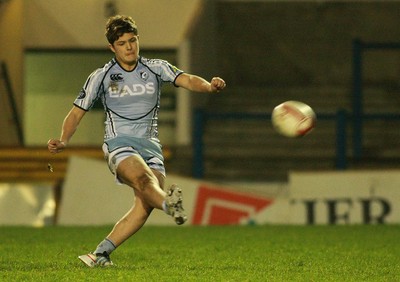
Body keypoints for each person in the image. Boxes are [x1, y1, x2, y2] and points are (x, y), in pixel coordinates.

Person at [47, 15, 226, 267]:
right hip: (119, 142)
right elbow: (77, 112)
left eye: (133, 40)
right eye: (122, 43)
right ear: (112, 47)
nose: (129, 47)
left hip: (151, 144)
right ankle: (170, 205)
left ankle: (100, 254)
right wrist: (64, 139)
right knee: (145, 181)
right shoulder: (102, 76)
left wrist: (209, 86)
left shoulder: (155, 67)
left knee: (144, 205)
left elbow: (186, 79)